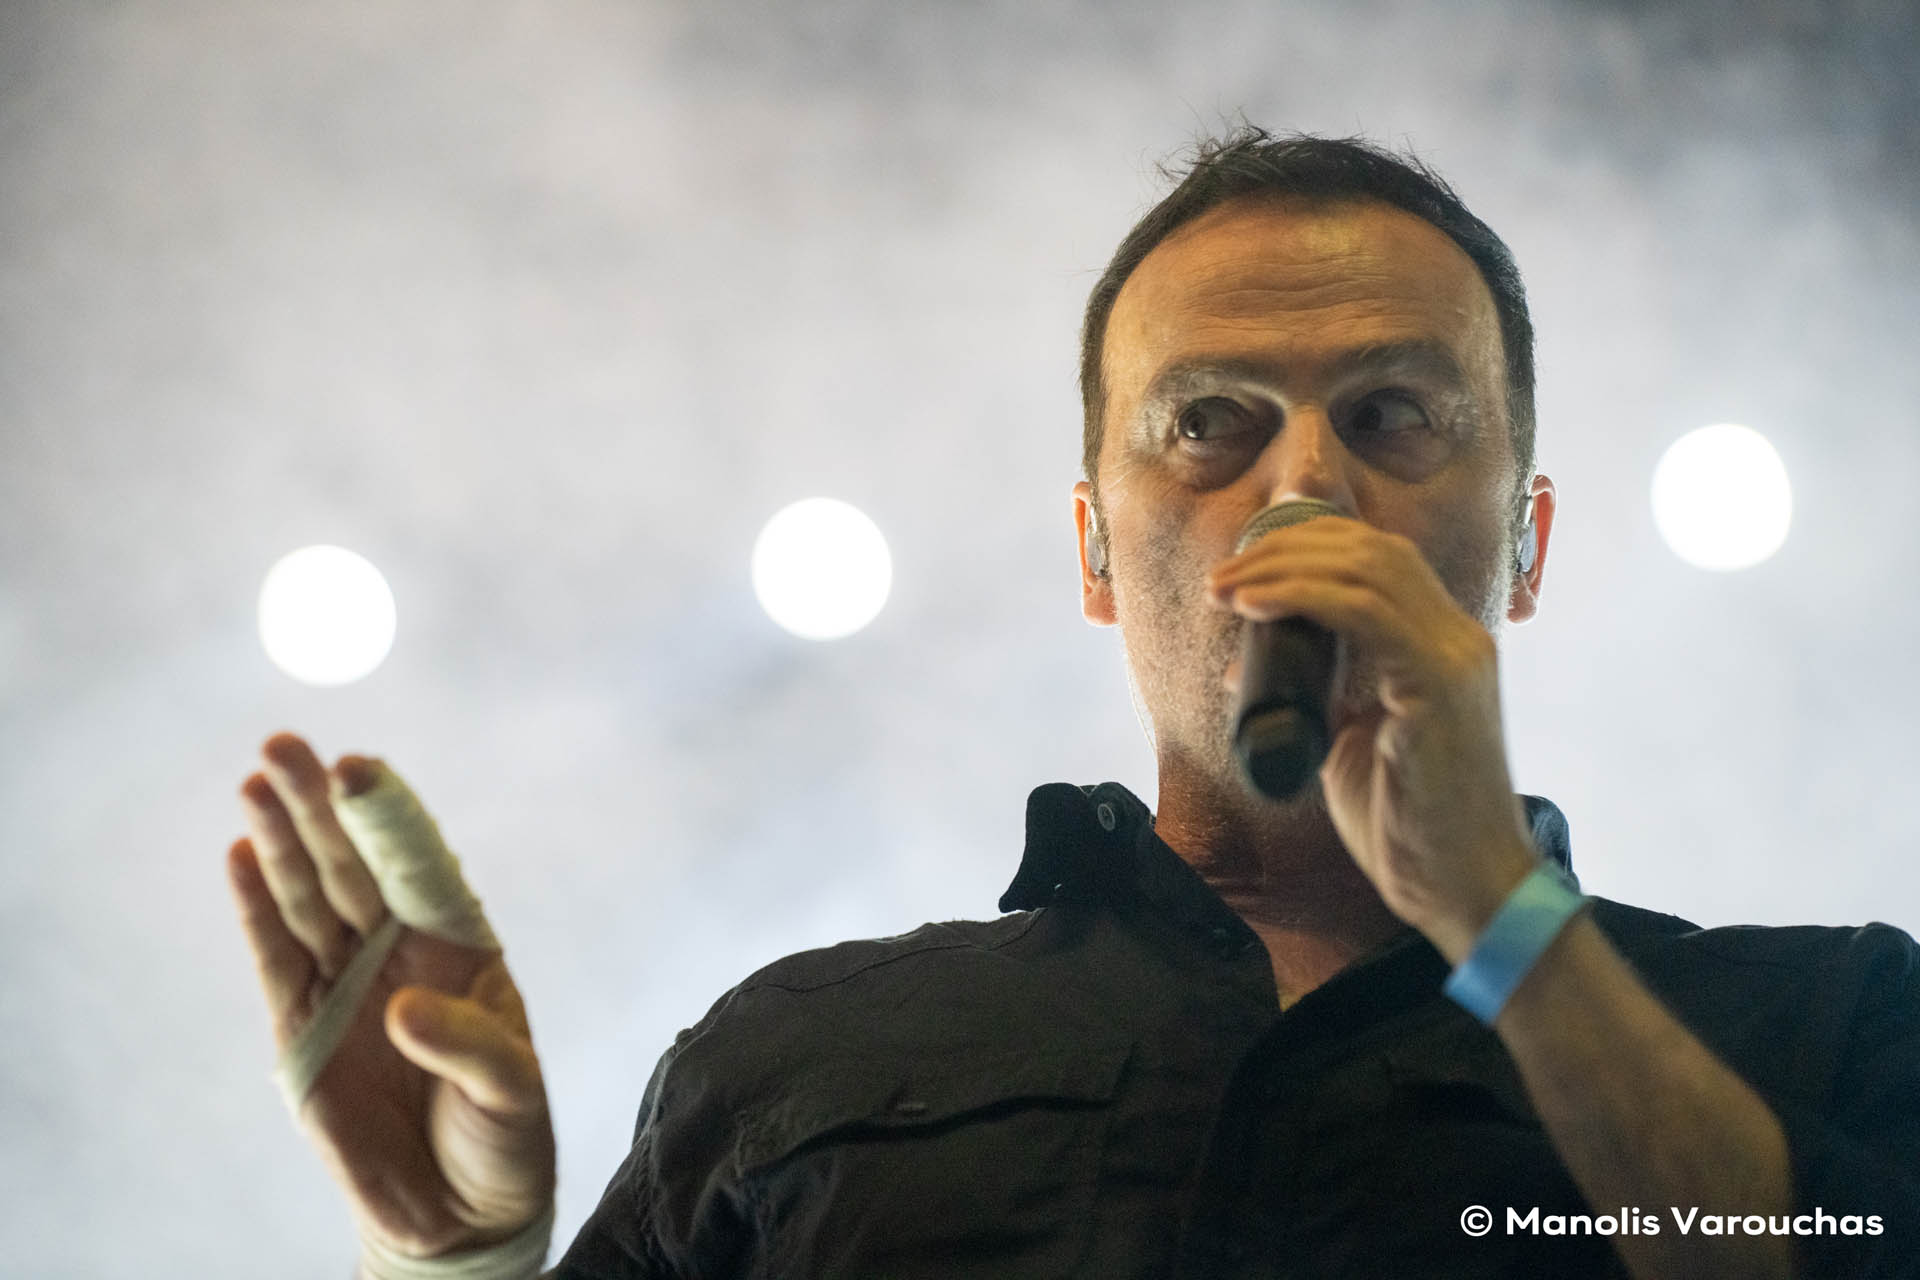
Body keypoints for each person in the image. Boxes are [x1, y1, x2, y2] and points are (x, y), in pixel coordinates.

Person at [226, 127, 1920, 1279]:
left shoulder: (1826, 1024)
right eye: (1210, 424)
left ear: (1527, 545)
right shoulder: (796, 1052)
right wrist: (454, 1264)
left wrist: (1505, 923)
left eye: (1396, 414)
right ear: (1098, 551)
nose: (1302, 490)